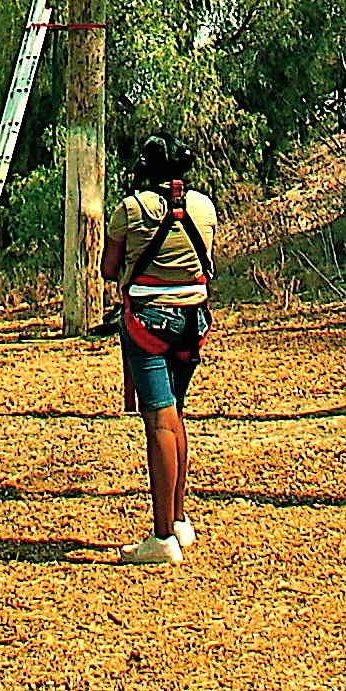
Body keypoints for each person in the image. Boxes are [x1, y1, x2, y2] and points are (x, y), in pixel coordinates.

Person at [99, 136, 218, 568]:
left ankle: (162, 536)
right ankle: (180, 517)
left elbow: (110, 269)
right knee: (176, 413)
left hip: (148, 321)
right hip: (193, 321)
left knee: (159, 422)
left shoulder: (130, 209)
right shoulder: (204, 207)